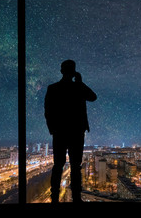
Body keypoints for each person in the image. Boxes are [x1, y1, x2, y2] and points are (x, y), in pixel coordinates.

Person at [44, 60, 97, 203]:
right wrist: (80, 82)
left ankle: (55, 197)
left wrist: (52, 129)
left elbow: (48, 111)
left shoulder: (53, 88)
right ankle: (76, 197)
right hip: (76, 131)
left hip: (61, 132)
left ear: (61, 71)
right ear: (73, 71)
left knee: (59, 165)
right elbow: (93, 97)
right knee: (75, 165)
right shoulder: (77, 88)